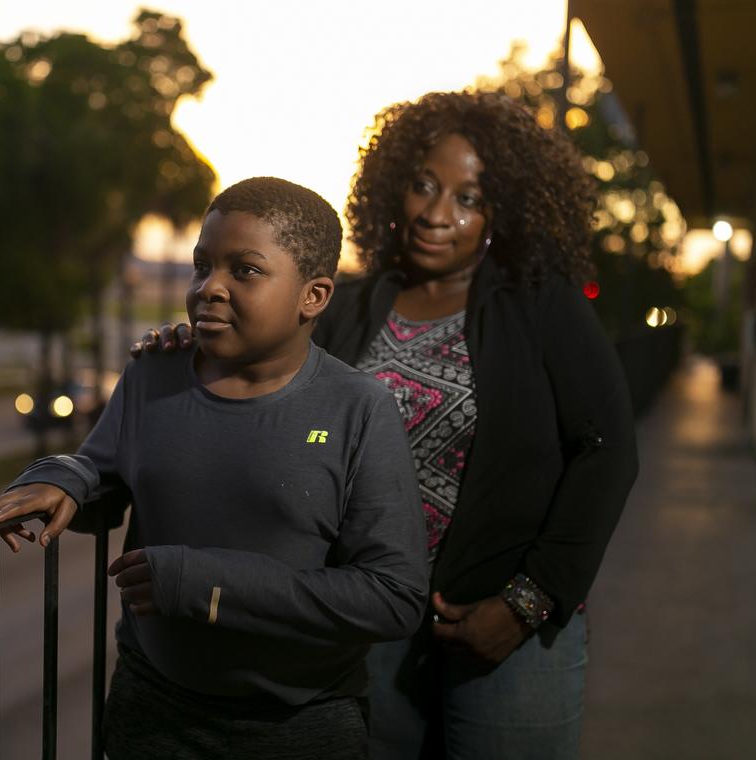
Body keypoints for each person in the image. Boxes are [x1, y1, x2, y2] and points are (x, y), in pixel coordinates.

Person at [134, 91, 638, 759]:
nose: (436, 212)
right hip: (367, 622)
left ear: (502, 211)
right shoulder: (348, 305)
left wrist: (527, 601)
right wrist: (191, 345)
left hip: (503, 626)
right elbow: (260, 371)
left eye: (468, 197)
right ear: (393, 186)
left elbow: (607, 452)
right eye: (424, 185)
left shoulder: (542, 307)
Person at [0, 176, 429, 760]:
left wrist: (205, 585)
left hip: (300, 724)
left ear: (313, 296)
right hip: (152, 713)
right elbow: (99, 471)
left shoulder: (360, 408)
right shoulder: (152, 373)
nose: (209, 287)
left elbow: (394, 597)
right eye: (201, 266)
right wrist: (58, 476)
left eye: (246, 270)